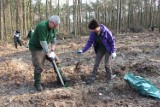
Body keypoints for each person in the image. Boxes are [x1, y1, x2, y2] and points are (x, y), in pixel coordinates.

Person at [29, 15, 70, 91]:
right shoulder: (42, 26)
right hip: (36, 47)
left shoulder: (53, 28)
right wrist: (47, 52)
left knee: (57, 61)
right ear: (51, 22)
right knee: (39, 66)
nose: (56, 27)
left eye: (57, 26)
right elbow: (43, 42)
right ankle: (37, 83)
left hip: (44, 46)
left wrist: (52, 51)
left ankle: (60, 78)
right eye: (55, 25)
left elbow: (53, 40)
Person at [77, 19, 116, 85]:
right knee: (96, 64)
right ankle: (92, 78)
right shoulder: (93, 33)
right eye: (92, 30)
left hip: (108, 49)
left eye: (94, 29)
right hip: (100, 49)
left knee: (107, 65)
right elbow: (89, 43)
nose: (93, 31)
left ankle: (110, 77)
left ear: (98, 27)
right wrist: (83, 50)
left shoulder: (106, 31)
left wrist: (113, 51)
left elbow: (112, 41)